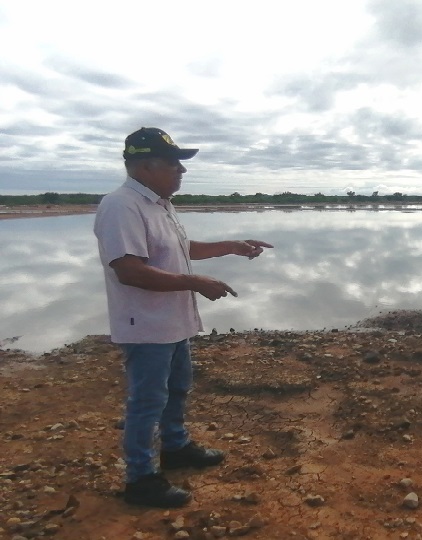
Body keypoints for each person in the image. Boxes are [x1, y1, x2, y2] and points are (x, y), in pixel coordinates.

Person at [93, 127, 273, 508]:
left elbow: (180, 248)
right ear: (144, 165)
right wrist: (194, 281)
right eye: (173, 164)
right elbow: (129, 270)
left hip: (173, 323)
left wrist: (231, 246)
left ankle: (174, 447)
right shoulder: (121, 206)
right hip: (145, 325)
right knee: (146, 402)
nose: (181, 172)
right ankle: (140, 480)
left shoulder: (159, 204)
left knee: (176, 390)